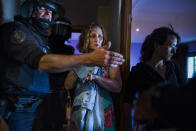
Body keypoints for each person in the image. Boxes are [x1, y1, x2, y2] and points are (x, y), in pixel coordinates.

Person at [0, 0, 124, 131]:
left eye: (51, 11)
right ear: (30, 8)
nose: (48, 13)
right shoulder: (16, 29)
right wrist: (87, 59)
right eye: (43, 8)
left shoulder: (43, 41)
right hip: (16, 106)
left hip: (39, 105)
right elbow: (43, 63)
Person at [124, 26, 186, 131]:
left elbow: (185, 93)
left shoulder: (174, 67)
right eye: (171, 46)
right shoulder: (139, 71)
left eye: (176, 47)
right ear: (157, 45)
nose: (174, 51)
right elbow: (127, 102)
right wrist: (127, 127)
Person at [64, 23, 122, 131]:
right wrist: (84, 63)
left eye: (100, 36)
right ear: (86, 39)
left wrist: (96, 78)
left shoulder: (109, 60)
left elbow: (117, 87)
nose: (97, 39)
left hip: (104, 110)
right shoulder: (80, 60)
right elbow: (68, 85)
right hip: (82, 110)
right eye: (93, 36)